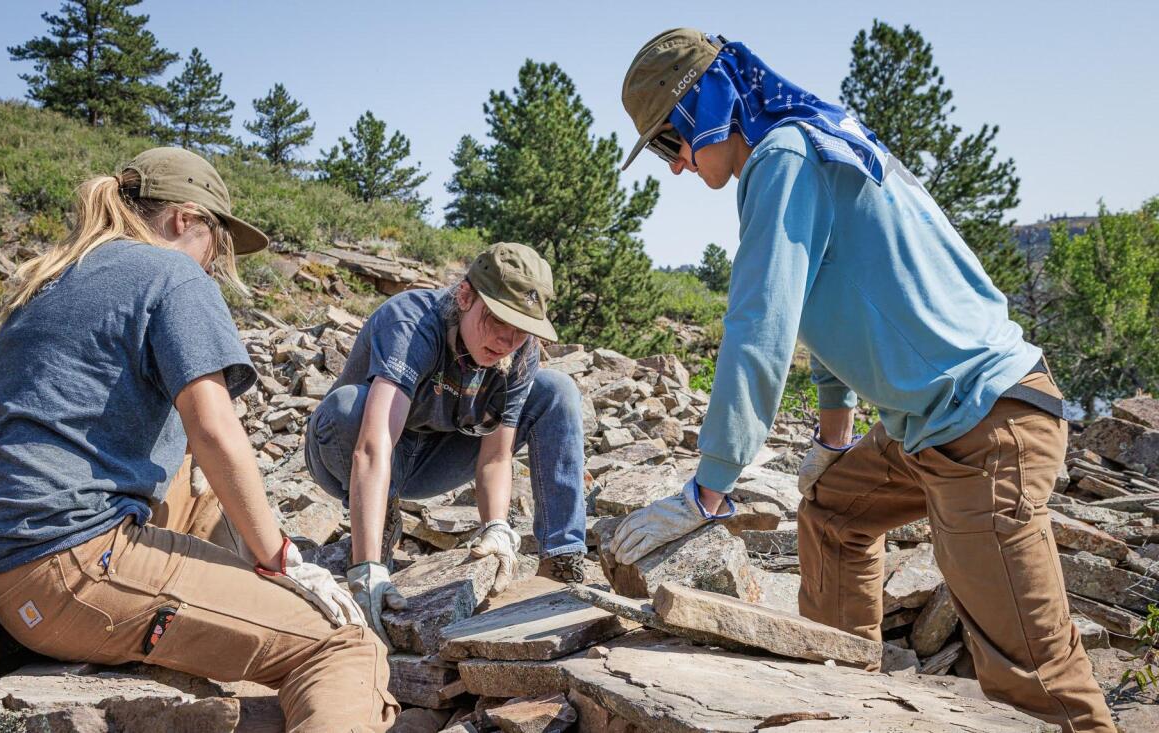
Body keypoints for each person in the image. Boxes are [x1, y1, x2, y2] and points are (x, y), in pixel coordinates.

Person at [607, 29, 1114, 733]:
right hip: (946, 419)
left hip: (985, 431)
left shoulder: (784, 159)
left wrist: (709, 487)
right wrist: (836, 434)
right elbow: (834, 300)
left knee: (1040, 689)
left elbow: (761, 325)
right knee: (833, 509)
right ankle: (849, 703)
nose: (677, 165)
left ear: (707, 106)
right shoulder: (809, 141)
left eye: (669, 141)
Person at [0, 147, 397, 732]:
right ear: (185, 219)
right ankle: (291, 635)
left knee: (200, 495)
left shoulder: (54, 273)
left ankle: (247, 614)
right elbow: (211, 428)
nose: (215, 261)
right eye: (219, 241)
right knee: (344, 645)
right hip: (65, 569)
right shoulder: (171, 271)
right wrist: (281, 559)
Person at [305, 242, 588, 646]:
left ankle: (562, 561)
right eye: (496, 321)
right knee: (350, 406)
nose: (507, 340)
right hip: (352, 446)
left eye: (520, 329)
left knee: (557, 390)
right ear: (465, 296)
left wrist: (496, 527)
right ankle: (378, 528)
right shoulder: (411, 321)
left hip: (436, 458)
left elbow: (495, 456)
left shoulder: (519, 349)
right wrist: (366, 567)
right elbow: (373, 446)